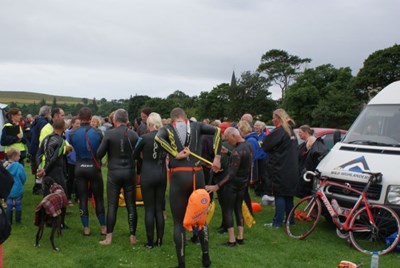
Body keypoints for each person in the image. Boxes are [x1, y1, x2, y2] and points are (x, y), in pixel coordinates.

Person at [155, 107, 221, 268]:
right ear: (185, 117)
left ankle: (182, 263)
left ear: (172, 119)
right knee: (201, 219)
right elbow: (218, 131)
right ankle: (206, 257)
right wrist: (217, 157)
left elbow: (157, 138)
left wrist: (175, 154)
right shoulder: (197, 125)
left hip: (179, 176)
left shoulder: (168, 128)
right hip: (197, 175)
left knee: (179, 222)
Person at [97, 109, 140, 245]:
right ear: (127, 120)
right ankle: (132, 237)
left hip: (114, 173)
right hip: (129, 172)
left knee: (112, 205)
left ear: (115, 120)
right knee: (131, 205)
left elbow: (99, 154)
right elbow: (138, 155)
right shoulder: (134, 134)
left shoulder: (109, 134)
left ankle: (108, 238)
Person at [206, 127, 252, 247]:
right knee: (238, 209)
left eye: (228, 139)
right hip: (243, 183)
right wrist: (229, 153)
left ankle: (231, 240)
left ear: (233, 136)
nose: (228, 142)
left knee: (227, 210)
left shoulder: (237, 151)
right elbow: (243, 159)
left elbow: (230, 174)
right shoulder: (247, 146)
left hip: (231, 185)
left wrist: (217, 186)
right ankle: (240, 237)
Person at [69, 107, 106, 236]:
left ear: (79, 117)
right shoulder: (98, 132)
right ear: (91, 118)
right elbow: (102, 150)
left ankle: (86, 228)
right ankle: (103, 227)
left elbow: (70, 148)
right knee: (99, 198)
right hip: (94, 166)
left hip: (79, 167)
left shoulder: (72, 133)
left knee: (83, 198)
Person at [133, 112, 167, 248]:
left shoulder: (143, 138)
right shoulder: (166, 138)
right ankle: (159, 241)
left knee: (149, 209)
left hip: (148, 173)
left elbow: (134, 155)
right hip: (161, 174)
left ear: (149, 124)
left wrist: (144, 157)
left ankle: (149, 242)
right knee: (159, 208)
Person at [261, 108, 298, 228]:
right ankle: (290, 219)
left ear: (278, 118)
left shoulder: (279, 131)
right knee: (288, 195)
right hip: (292, 168)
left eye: (273, 117)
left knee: (280, 194)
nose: (272, 119)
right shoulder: (291, 132)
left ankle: (277, 222)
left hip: (280, 167)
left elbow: (265, 146)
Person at [36, 118, 71, 228]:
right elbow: (54, 158)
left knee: (47, 196)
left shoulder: (46, 138)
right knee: (62, 196)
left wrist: (40, 168)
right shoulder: (61, 141)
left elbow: (38, 155)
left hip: (47, 172)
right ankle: (61, 223)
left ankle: (47, 221)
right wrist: (45, 170)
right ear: (63, 128)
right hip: (57, 171)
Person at [297, 125, 328, 197]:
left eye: (300, 132)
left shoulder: (311, 141)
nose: (299, 134)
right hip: (309, 171)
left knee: (309, 193)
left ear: (306, 132)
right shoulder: (308, 141)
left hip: (310, 172)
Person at [28, 105, 52, 195]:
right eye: (50, 112)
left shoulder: (36, 120)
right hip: (38, 148)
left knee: (37, 168)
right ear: (47, 113)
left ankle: (37, 187)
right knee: (40, 168)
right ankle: (37, 187)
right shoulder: (43, 123)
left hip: (33, 147)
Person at [4, 148, 26, 224]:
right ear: (14, 156)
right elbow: (23, 177)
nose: (20, 157)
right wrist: (21, 183)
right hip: (18, 188)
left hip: (8, 189)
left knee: (9, 204)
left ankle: (8, 220)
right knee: (18, 204)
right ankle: (18, 220)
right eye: (18, 156)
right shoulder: (19, 166)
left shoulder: (5, 166)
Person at [65, 116, 80, 205]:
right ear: (72, 124)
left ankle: (78, 197)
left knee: (80, 180)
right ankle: (68, 197)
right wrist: (70, 156)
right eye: (77, 123)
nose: (78, 125)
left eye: (79, 123)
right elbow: (67, 145)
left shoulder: (82, 133)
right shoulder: (68, 133)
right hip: (71, 160)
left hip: (80, 160)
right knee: (70, 179)